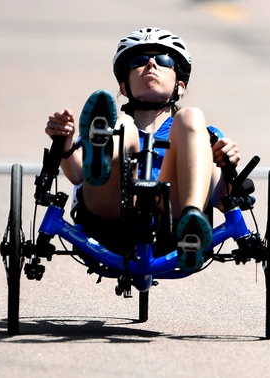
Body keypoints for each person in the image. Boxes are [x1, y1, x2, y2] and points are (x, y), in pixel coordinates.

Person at [43, 27, 240, 272]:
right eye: (139, 60)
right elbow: (75, 174)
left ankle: (192, 224)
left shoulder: (201, 133)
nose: (150, 64)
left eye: (163, 60)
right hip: (110, 218)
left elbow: (223, 202)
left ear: (179, 86)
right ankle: (104, 157)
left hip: (173, 222)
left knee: (191, 117)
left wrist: (227, 164)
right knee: (123, 126)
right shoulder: (108, 124)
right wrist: (65, 141)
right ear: (124, 88)